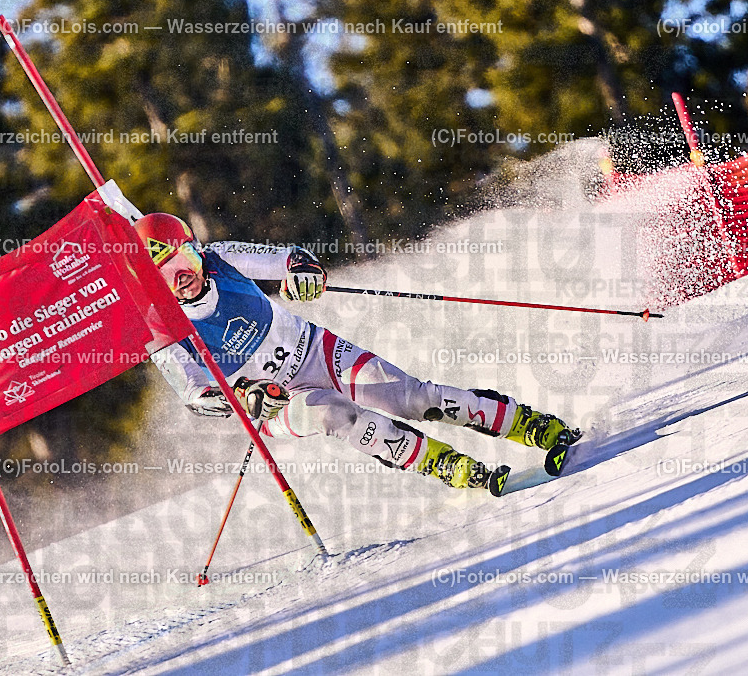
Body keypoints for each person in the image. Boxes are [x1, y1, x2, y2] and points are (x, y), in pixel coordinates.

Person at [140, 213, 580, 496]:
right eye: (163, 277)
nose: (178, 280)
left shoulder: (222, 257)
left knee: (410, 398)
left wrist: (304, 272)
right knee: (333, 414)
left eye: (181, 264)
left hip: (314, 350)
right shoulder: (161, 326)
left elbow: (289, 258)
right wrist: (244, 394)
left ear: (195, 250)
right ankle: (455, 468)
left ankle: (534, 426)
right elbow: (195, 395)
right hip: (275, 404)